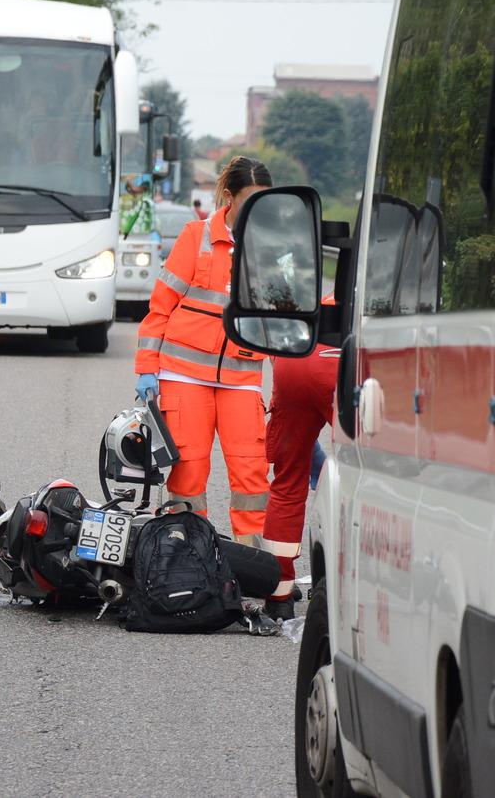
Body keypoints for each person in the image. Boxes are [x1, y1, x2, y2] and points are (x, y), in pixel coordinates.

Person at [133, 156, 273, 544]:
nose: (256, 213)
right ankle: (189, 561)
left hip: (242, 379)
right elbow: (160, 308)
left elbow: (282, 316)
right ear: (229, 197)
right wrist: (147, 368)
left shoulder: (272, 247)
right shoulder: (195, 238)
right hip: (182, 376)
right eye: (250, 203)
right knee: (188, 476)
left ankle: (256, 563)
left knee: (251, 475)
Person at [262, 339, 341, 619]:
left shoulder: (314, 306)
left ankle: (278, 596)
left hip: (293, 363)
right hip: (343, 364)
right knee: (373, 480)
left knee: (287, 485)